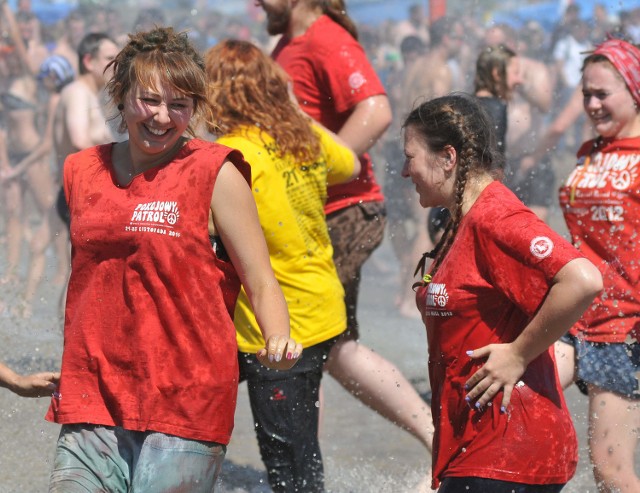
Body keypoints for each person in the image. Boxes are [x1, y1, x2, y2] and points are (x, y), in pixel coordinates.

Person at [46, 27, 302, 492]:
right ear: (120, 96)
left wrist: (278, 338)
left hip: (185, 397)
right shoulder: (81, 170)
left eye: (180, 105)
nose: (163, 116)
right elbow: (86, 274)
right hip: (94, 391)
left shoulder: (215, 172)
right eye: (150, 100)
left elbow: (260, 279)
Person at [257, 0, 435, 475]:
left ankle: (439, 442)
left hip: (343, 211)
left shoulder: (325, 37)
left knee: (322, 344)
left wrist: (323, 169)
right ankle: (302, 469)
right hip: (316, 215)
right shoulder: (288, 44)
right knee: (318, 346)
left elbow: (376, 112)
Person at [402, 94, 602, 492]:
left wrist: (518, 353)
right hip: (486, 445)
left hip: (507, 449)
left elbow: (582, 279)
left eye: (410, 157)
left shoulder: (495, 216)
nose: (406, 172)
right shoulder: (466, 218)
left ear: (448, 157)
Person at [205, 38, 359, 492]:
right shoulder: (300, 137)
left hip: (274, 325)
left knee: (287, 460)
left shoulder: (233, 154)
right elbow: (349, 162)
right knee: (296, 446)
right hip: (320, 305)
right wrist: (295, 111)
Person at [554, 38, 640, 493]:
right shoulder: (590, 150)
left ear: (634, 89)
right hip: (572, 318)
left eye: (602, 94)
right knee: (509, 398)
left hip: (624, 332)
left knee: (611, 471)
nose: (591, 104)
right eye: (585, 93)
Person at [0, 54, 75, 318]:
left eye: (46, 78)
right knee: (44, 236)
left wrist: (16, 170)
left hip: (58, 176)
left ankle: (40, 299)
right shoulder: (60, 100)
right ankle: (26, 304)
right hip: (60, 176)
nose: (42, 83)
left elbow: (46, 144)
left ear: (54, 78)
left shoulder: (57, 100)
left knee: (56, 233)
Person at [474, 44, 522, 167]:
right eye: (515, 73)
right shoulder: (496, 109)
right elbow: (494, 166)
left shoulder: (468, 102)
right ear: (497, 74)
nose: (519, 80)